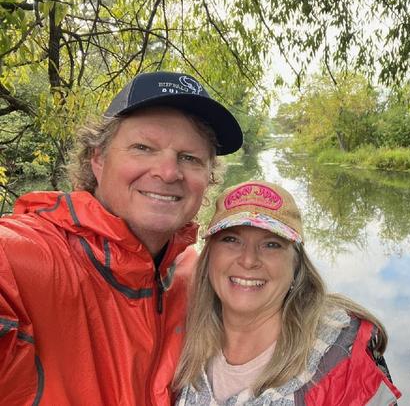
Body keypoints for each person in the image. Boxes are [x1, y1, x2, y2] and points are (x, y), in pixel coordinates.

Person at [0, 71, 243, 405]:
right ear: (97, 159)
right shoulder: (27, 258)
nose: (168, 172)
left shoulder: (196, 273)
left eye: (190, 158)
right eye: (143, 148)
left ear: (207, 177)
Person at [174, 180, 402, 405]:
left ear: (296, 264)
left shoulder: (342, 359)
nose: (249, 259)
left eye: (271, 244)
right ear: (209, 256)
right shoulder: (179, 331)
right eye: (231, 239)